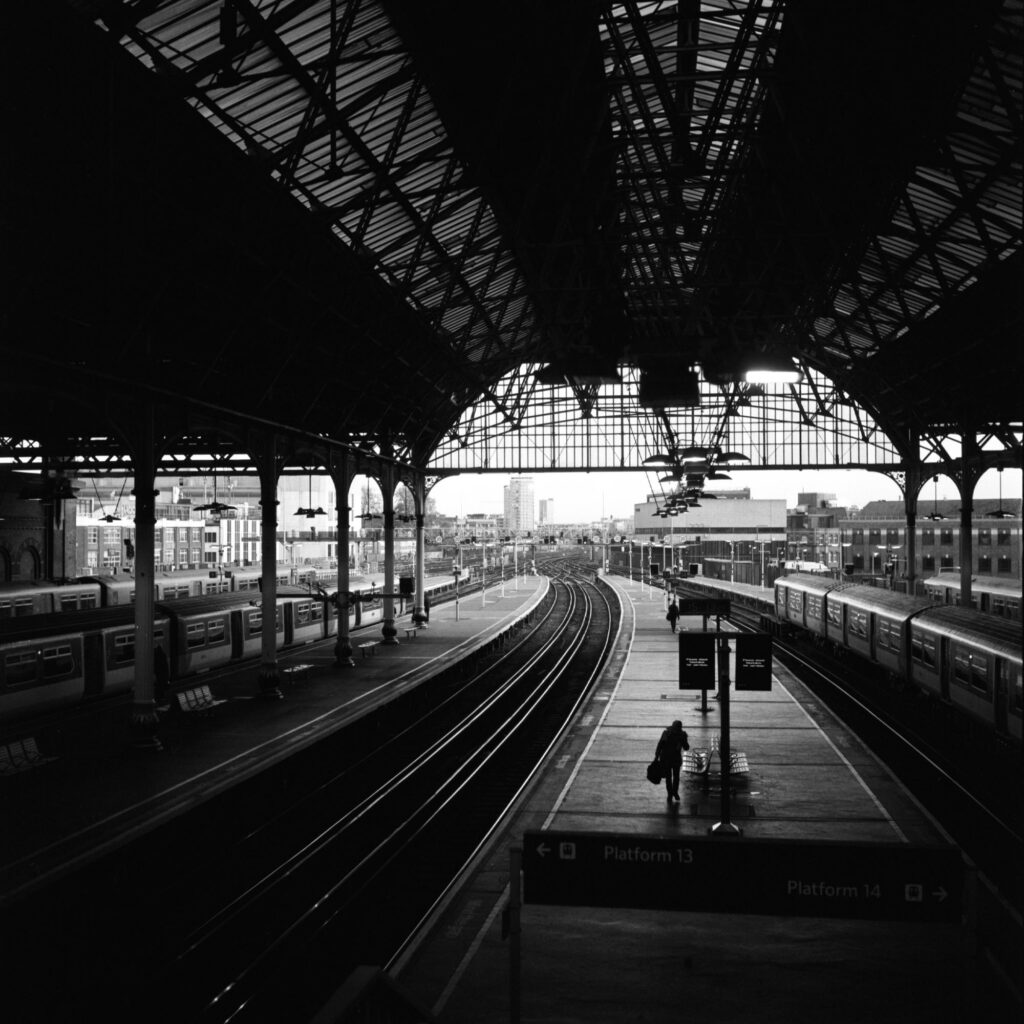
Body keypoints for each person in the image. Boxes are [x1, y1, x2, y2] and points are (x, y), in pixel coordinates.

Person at [656, 719, 689, 802]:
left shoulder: (668, 733)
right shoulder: (675, 734)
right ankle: (673, 793)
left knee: (670, 777)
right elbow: (686, 747)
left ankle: (671, 794)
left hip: (668, 758)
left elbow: (660, 745)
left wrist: (657, 755)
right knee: (674, 777)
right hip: (672, 759)